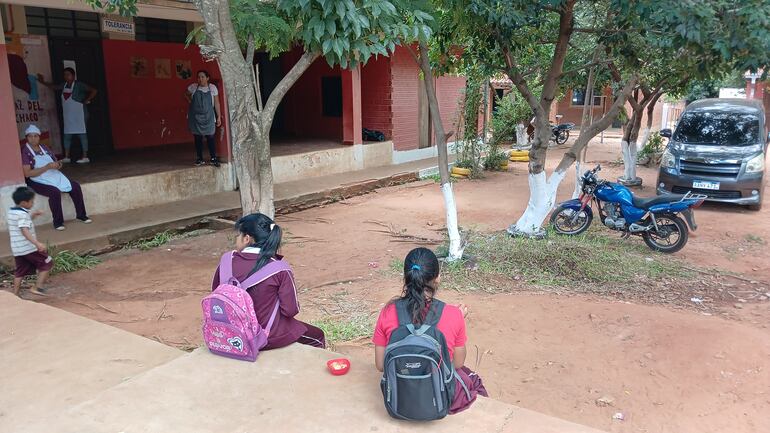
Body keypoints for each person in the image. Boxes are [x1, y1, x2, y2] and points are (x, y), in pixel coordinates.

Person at [373, 247, 487, 414]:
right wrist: (458, 319)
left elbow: (381, 365)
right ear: (438, 278)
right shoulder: (454, 314)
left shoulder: (388, 311)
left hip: (399, 399)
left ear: (406, 278)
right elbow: (457, 364)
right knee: (471, 379)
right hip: (438, 397)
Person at [211, 213, 325, 349]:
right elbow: (290, 310)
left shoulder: (226, 262)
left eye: (238, 235)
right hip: (267, 336)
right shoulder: (280, 269)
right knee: (318, 335)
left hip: (231, 334)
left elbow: (216, 295)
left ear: (247, 238)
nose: (236, 239)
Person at [21, 124, 91, 230]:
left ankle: (81, 215)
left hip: (52, 175)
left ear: (39, 137)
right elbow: (27, 173)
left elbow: (55, 163)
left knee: (75, 186)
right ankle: (58, 222)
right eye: (30, 136)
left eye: (36, 136)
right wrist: (46, 167)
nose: (33, 139)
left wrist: (58, 165)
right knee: (54, 192)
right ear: (27, 137)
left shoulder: (44, 148)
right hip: (36, 179)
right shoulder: (25, 152)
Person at [38, 68, 97, 163]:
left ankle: (85, 156)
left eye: (68, 74)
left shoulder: (79, 85)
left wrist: (87, 100)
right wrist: (43, 82)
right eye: (65, 74)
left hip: (80, 114)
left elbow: (94, 90)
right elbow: (54, 87)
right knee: (67, 136)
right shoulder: (64, 85)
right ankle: (67, 156)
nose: (66, 76)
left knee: (82, 134)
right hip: (68, 115)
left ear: (73, 76)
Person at [7, 186, 52, 297]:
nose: (33, 203)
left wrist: (31, 216)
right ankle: (38, 287)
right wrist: (37, 243)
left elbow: (20, 224)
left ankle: (16, 295)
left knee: (20, 271)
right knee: (47, 262)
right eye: (32, 201)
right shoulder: (23, 215)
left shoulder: (11, 212)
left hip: (18, 249)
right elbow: (24, 229)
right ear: (23, 202)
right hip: (28, 248)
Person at [185, 70, 221, 167]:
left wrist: (219, 117)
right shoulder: (193, 87)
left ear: (207, 78)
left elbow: (217, 103)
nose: (200, 79)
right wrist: (190, 101)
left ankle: (213, 158)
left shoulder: (212, 88)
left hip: (209, 117)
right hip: (196, 117)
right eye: (199, 77)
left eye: (202, 77)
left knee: (210, 137)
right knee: (198, 138)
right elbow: (186, 94)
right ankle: (200, 158)